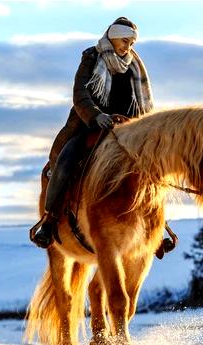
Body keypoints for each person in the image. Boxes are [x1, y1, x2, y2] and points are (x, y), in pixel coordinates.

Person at [32, 16, 154, 248]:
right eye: (125, 41)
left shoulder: (135, 66)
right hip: (92, 124)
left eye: (132, 43)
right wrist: (97, 115)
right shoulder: (92, 58)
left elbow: (141, 103)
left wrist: (139, 126)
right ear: (113, 37)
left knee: (153, 166)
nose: (128, 47)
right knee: (67, 158)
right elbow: (80, 94)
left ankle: (155, 224)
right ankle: (50, 220)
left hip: (129, 129)